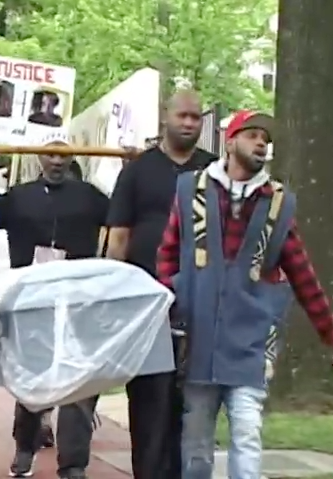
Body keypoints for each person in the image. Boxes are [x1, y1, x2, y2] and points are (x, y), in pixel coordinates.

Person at [156, 110, 333, 479]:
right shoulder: (191, 189)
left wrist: (331, 332)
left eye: (266, 138)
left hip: (250, 342)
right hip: (198, 341)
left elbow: (302, 273)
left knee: (247, 434)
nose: (262, 143)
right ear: (230, 142)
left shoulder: (277, 203)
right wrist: (171, 298)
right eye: (252, 135)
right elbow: (167, 254)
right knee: (196, 443)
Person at [105, 90, 216, 479]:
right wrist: (113, 299)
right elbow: (118, 236)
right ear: (165, 117)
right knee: (150, 402)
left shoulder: (213, 171)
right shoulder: (137, 170)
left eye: (196, 117)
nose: (189, 123)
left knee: (193, 404)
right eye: (182, 115)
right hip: (146, 307)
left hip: (201, 304)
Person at [0, 131, 108, 479]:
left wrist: (132, 166)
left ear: (72, 158)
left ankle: (73, 462)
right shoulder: (18, 198)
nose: (56, 161)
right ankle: (26, 446)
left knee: (80, 382)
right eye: (49, 154)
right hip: (31, 302)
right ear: (39, 157)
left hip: (78, 301)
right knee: (33, 381)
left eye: (63, 155)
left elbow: (125, 215)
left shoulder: (88, 196)